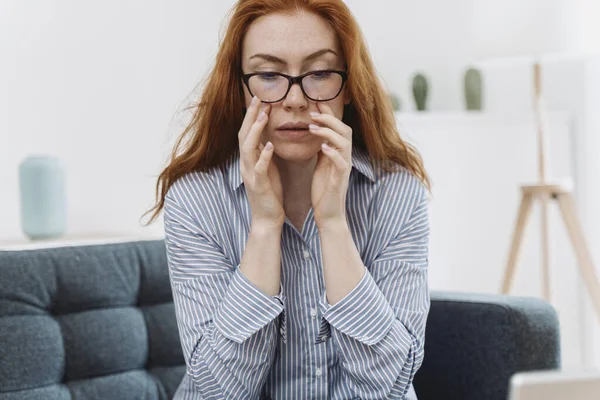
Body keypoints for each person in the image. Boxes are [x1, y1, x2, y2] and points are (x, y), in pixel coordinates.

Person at [144, 1, 432, 398]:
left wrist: (332, 224)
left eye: (320, 73)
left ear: (348, 86)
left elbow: (390, 384)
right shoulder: (195, 200)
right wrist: (264, 227)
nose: (295, 100)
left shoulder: (396, 192)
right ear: (240, 89)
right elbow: (216, 392)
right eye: (267, 74)